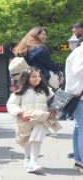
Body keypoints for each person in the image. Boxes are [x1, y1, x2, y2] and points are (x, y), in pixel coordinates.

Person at [6, 67, 59, 173]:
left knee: (36, 139)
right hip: (26, 120)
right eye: (33, 77)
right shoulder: (21, 91)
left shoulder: (46, 90)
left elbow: (55, 101)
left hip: (42, 119)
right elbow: (11, 104)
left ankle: (33, 163)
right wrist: (20, 113)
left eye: (38, 76)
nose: (37, 79)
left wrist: (54, 110)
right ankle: (27, 158)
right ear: (26, 78)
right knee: (27, 141)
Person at [64, 38, 83, 173]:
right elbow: (79, 71)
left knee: (79, 128)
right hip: (80, 96)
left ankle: (78, 161)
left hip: (77, 96)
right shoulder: (81, 51)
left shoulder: (77, 51)